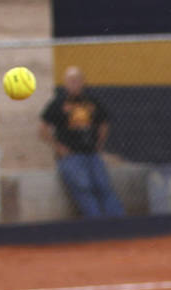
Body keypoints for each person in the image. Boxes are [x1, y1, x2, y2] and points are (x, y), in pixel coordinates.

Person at [38, 66, 124, 218]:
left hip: (91, 154)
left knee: (103, 186)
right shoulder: (58, 104)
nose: (74, 84)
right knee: (83, 187)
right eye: (71, 81)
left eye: (77, 80)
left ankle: (118, 223)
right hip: (71, 156)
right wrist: (59, 147)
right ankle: (95, 223)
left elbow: (104, 123)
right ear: (65, 83)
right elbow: (42, 130)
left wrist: (99, 143)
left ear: (83, 82)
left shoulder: (92, 102)